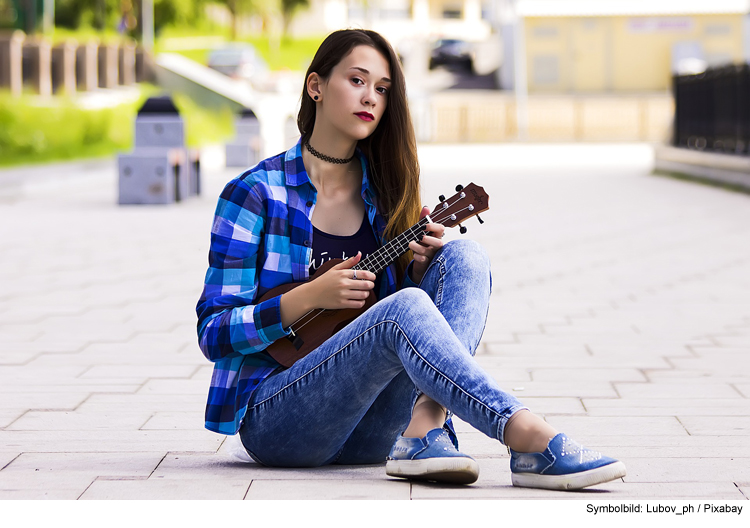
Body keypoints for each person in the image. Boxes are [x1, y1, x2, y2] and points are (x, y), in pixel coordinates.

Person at [196, 28, 626, 491]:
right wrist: (307, 298)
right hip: (281, 421)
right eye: (358, 81)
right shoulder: (256, 194)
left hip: (374, 427)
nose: (371, 98)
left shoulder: (386, 193)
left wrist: (418, 271)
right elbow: (213, 332)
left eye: (382, 89)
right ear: (315, 86)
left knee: (464, 256)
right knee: (403, 310)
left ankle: (425, 424)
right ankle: (523, 433)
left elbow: (383, 328)